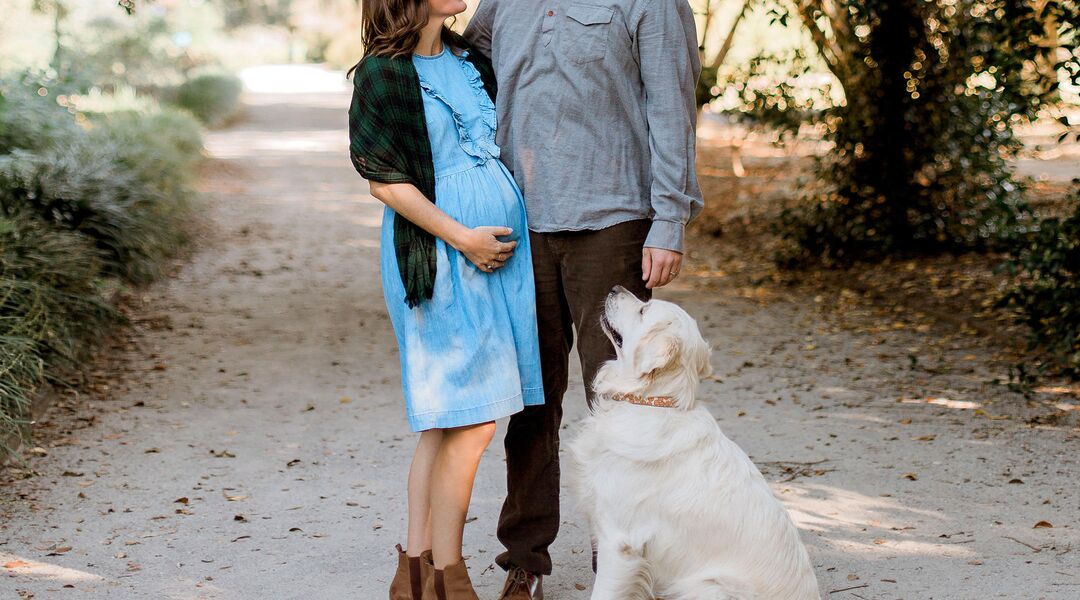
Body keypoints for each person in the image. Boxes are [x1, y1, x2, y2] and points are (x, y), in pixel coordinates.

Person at [464, 0, 704, 597]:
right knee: (530, 400)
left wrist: (669, 219)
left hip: (615, 219)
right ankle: (524, 559)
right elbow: (467, 74)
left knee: (623, 402)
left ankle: (622, 559)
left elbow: (672, 105)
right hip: (518, 223)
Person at [347, 0, 545, 596]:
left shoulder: (466, 57)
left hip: (499, 261)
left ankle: (412, 571)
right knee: (473, 418)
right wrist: (464, 239)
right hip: (442, 254)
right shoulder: (383, 73)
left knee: (443, 421)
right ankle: (448, 574)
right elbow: (384, 180)